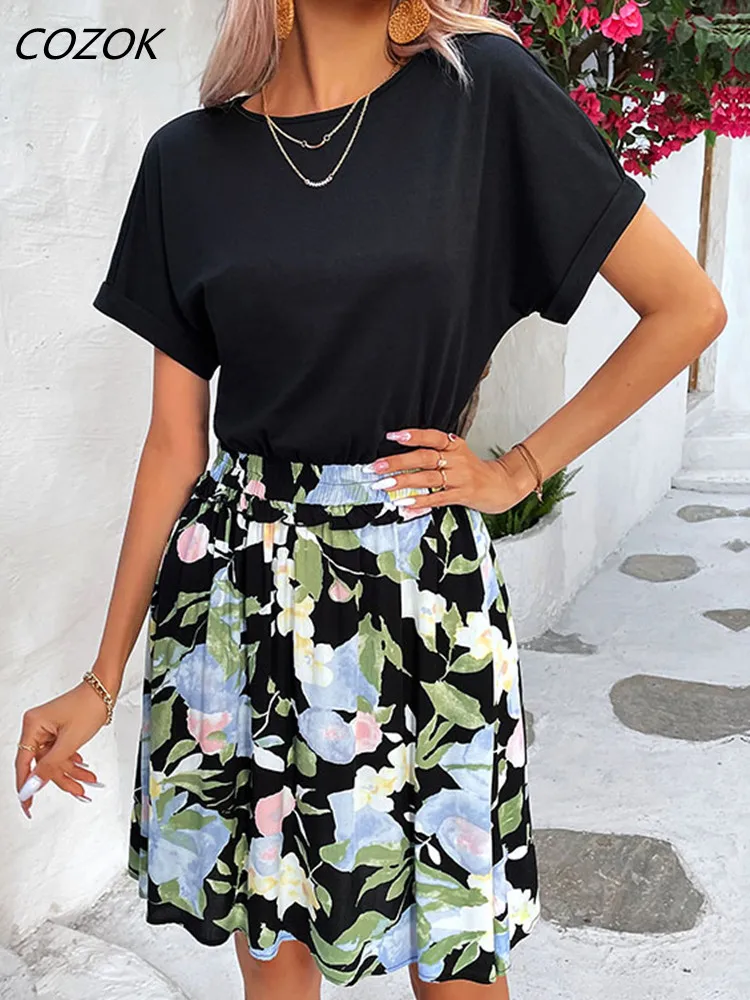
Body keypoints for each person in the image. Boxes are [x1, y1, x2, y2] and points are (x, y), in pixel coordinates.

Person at [15, 0, 727, 997]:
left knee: (453, 946)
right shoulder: (187, 161)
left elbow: (687, 307)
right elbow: (175, 445)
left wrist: (519, 468)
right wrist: (98, 682)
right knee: (275, 940)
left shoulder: (485, 97)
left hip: (419, 595)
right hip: (239, 604)